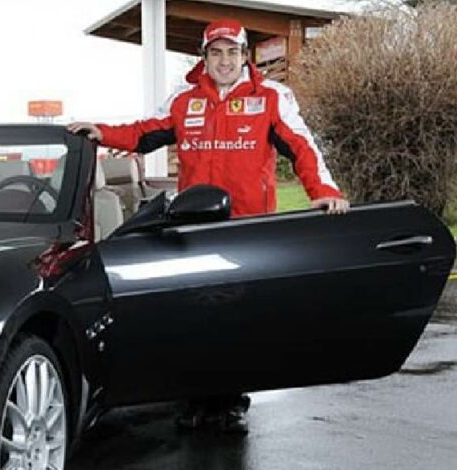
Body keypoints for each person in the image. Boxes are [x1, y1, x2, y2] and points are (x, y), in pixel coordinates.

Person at [69, 19, 350, 433]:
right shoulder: (184, 100)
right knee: (196, 316)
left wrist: (323, 190)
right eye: (216, 52)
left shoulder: (272, 97)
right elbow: (145, 132)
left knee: (238, 319)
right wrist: (101, 131)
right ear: (204, 57)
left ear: (244, 56)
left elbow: (303, 146)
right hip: (193, 229)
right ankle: (197, 395)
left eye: (232, 52)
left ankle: (230, 397)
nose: (224, 61)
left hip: (245, 228)